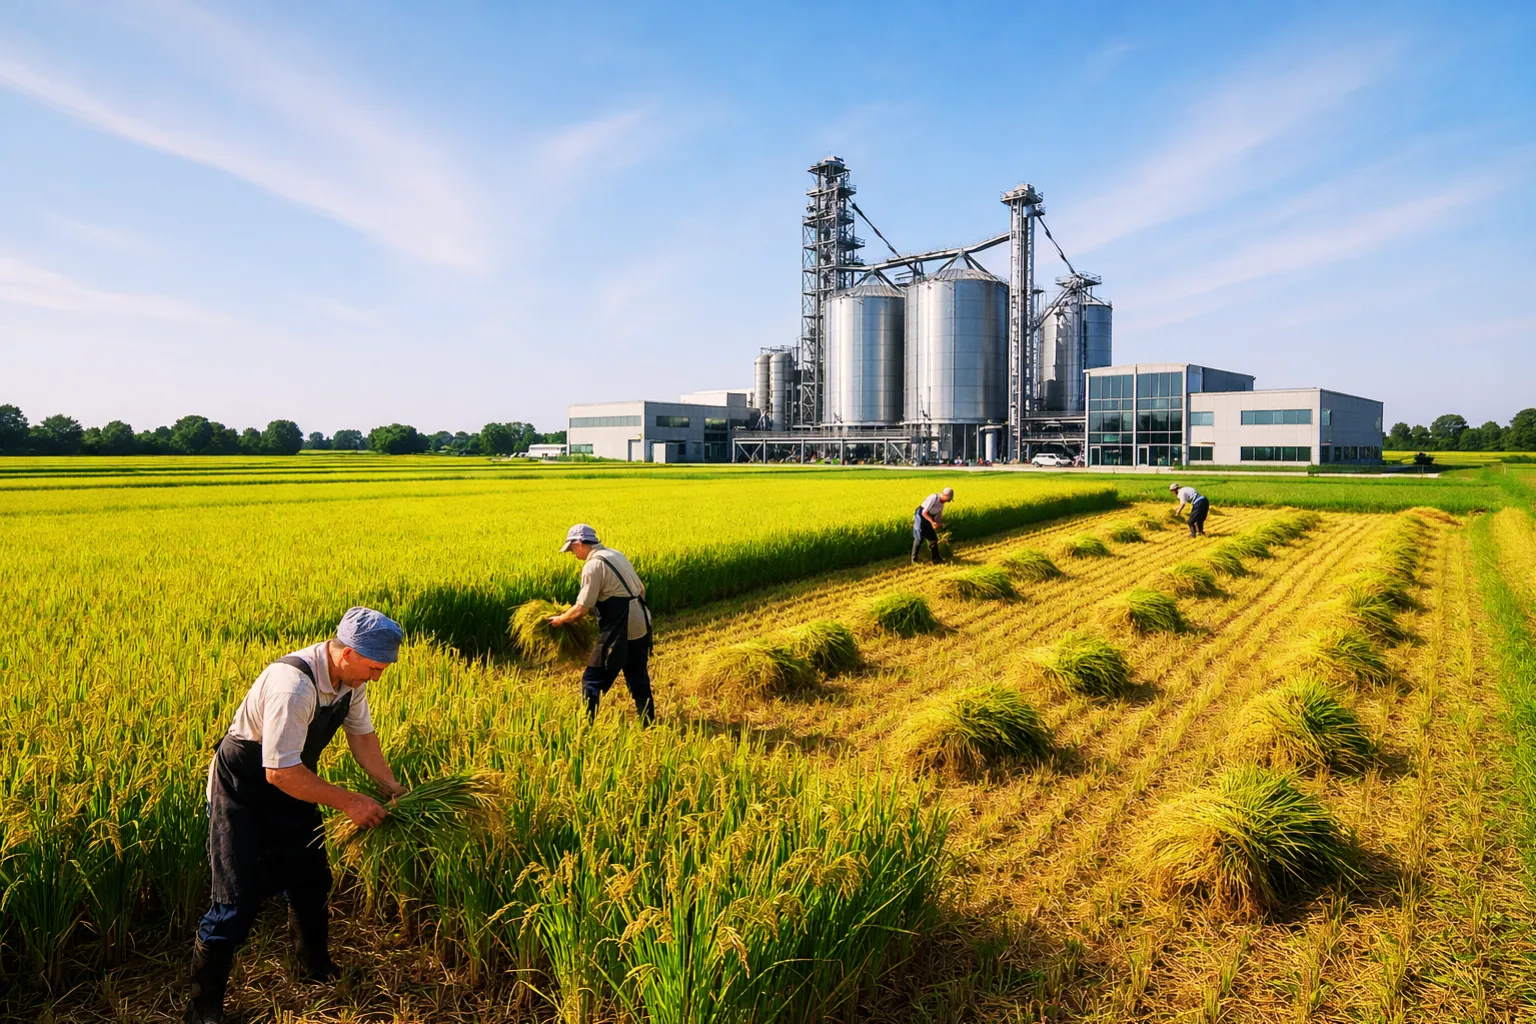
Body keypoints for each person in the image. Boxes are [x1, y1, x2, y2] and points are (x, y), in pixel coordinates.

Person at [186, 607, 408, 1024]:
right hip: (246, 788)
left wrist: (390, 787)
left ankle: (313, 969)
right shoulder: (293, 687)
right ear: (347, 654)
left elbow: (363, 738)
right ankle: (203, 1010)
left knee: (310, 880)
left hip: (296, 779)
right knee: (234, 903)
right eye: (375, 667)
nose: (377, 677)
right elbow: (278, 771)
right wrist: (350, 802)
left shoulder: (349, 682)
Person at [548, 523, 655, 723]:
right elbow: (641, 589)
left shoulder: (593, 565)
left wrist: (560, 619)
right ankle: (648, 723)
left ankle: (587, 726)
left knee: (591, 679)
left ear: (580, 543)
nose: (572, 553)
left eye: (571, 548)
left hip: (619, 631)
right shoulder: (616, 554)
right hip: (641, 625)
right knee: (638, 676)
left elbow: (582, 608)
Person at [912, 487, 954, 563]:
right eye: (948, 499)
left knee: (933, 539)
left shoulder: (941, 505)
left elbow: (938, 516)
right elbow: (924, 513)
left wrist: (939, 524)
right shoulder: (934, 498)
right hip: (920, 517)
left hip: (928, 518)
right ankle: (914, 560)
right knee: (919, 538)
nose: (948, 501)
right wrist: (932, 522)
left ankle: (936, 558)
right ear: (945, 495)